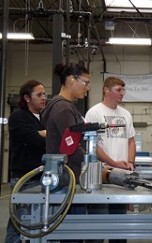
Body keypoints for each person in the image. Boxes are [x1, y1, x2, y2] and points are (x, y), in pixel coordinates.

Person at [41, 63, 91, 243]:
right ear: (71, 80)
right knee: (72, 235)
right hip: (67, 180)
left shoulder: (61, 106)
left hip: (66, 179)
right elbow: (71, 146)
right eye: (85, 83)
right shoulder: (63, 109)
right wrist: (93, 167)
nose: (88, 88)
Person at [85, 76, 136, 243]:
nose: (122, 93)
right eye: (118, 90)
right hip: (101, 174)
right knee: (97, 225)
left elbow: (131, 140)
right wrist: (113, 163)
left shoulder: (126, 114)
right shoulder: (94, 112)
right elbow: (93, 146)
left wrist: (130, 162)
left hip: (121, 175)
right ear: (106, 90)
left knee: (119, 226)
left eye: (123, 90)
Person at [5, 80, 47, 243]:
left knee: (36, 222)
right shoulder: (18, 117)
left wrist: (42, 133)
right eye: (39, 95)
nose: (44, 98)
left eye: (44, 94)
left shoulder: (42, 117)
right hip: (24, 179)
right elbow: (34, 140)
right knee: (19, 223)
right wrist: (46, 133)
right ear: (27, 98)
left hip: (41, 178)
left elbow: (41, 138)